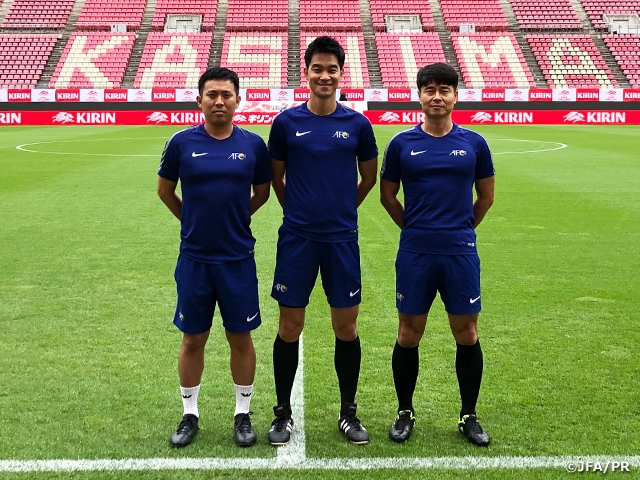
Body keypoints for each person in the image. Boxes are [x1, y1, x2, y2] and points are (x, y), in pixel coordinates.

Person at [267, 36, 378, 446]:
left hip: (340, 240)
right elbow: (276, 176)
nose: (325, 75)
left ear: (340, 73)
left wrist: (343, 209)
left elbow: (368, 177)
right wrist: (296, 209)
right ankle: (282, 413)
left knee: (346, 326)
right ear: (306, 72)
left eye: (332, 69)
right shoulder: (286, 123)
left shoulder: (357, 125)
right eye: (318, 68)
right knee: (289, 325)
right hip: (297, 238)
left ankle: (348, 412)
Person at [379, 62, 495, 447]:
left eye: (445, 89)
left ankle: (468, 415)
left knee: (467, 333)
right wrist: (413, 230)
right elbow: (387, 196)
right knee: (408, 333)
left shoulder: (475, 143)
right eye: (429, 89)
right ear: (420, 95)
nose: (437, 96)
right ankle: (405, 411)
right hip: (415, 252)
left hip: (459, 253)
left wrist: (461, 231)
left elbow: (486, 196)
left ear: (455, 96)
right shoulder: (401, 144)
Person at [157, 67, 271, 448]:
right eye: (212, 94)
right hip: (195, 259)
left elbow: (262, 193)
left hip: (237, 257)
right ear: (200, 100)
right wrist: (191, 221)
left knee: (241, 336)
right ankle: (190, 415)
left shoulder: (254, 145)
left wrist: (235, 220)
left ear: (238, 99)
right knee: (193, 338)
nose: (219, 101)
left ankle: (242, 413)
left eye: (226, 94)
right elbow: (165, 191)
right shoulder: (180, 143)